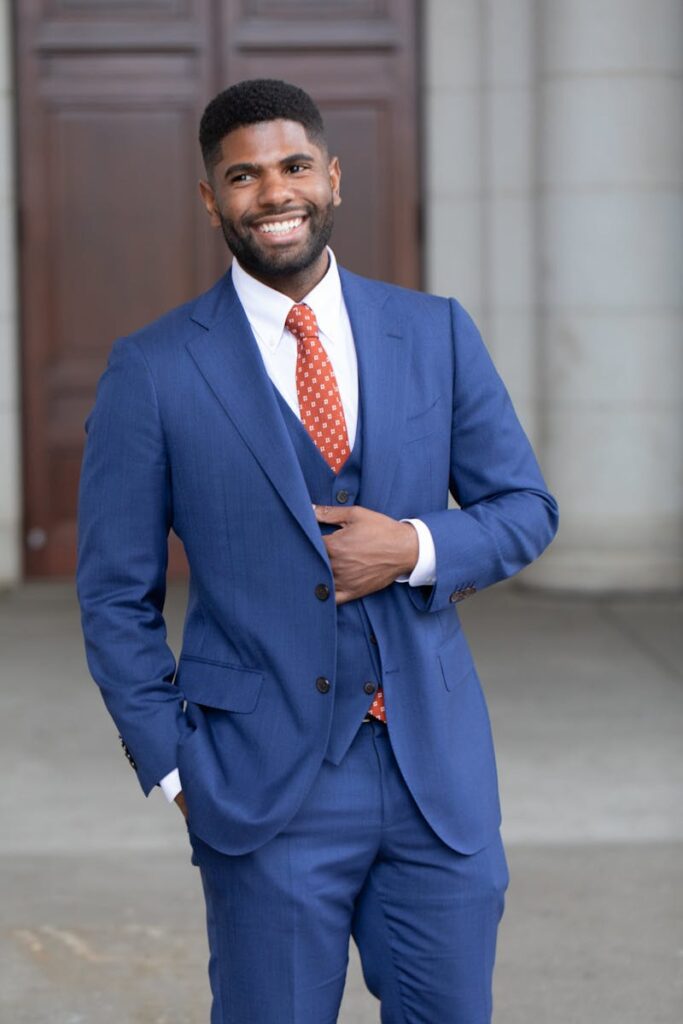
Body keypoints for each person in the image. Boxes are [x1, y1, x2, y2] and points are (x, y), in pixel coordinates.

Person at [77, 78, 559, 1024]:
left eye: (293, 165)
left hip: (436, 779)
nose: (273, 192)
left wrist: (414, 545)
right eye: (242, 176)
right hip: (260, 786)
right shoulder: (156, 368)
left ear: (332, 176)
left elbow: (523, 507)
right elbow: (113, 596)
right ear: (211, 201)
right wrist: (176, 770)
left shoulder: (434, 332)